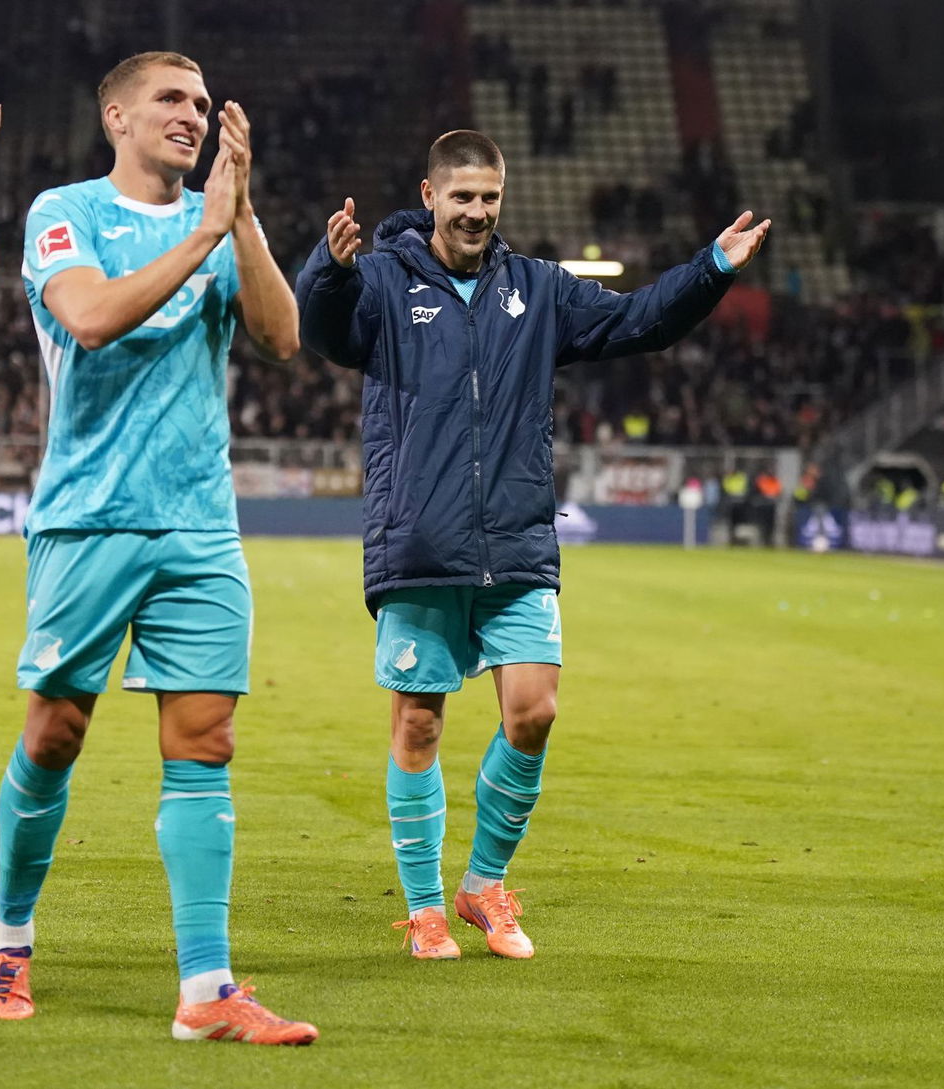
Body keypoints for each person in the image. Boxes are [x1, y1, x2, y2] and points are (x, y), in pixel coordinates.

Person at [296, 130, 769, 961]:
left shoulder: (539, 288)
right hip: (422, 539)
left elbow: (639, 324)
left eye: (490, 198)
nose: (477, 212)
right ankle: (423, 909)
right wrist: (328, 270)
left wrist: (713, 269)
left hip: (515, 537)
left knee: (534, 711)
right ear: (431, 194)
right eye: (463, 196)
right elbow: (327, 333)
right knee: (419, 723)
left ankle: (482, 885)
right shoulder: (378, 280)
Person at [0, 51, 316, 1046]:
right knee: (54, 735)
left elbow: (281, 337)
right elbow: (85, 319)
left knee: (205, 743)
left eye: (203, 105)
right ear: (115, 115)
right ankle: (10, 937)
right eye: (171, 99)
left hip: (200, 524)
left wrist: (240, 220)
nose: (192, 116)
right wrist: (202, 230)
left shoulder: (223, 224)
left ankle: (206, 990)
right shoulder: (62, 210)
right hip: (89, 518)